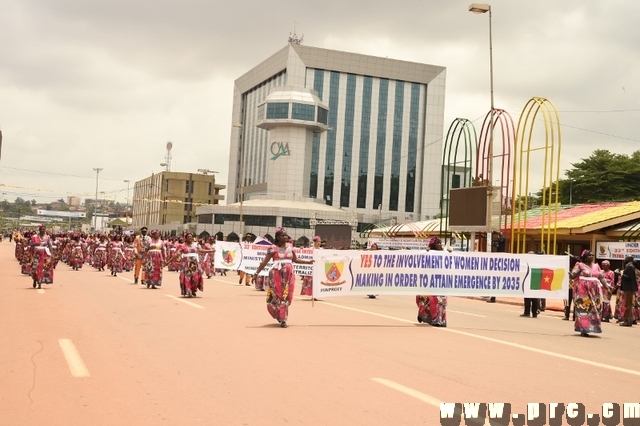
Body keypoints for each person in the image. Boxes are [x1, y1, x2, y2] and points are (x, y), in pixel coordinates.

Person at [253, 227, 314, 328]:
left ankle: (283, 318)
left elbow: (295, 259)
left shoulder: (290, 247)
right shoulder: (273, 248)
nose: (285, 237)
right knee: (275, 296)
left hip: (288, 275)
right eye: (282, 235)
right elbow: (264, 262)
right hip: (276, 274)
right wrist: (256, 273)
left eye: (286, 235)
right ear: (277, 237)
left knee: (286, 296)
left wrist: (308, 262)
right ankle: (279, 315)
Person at [570, 249, 606, 336]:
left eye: (593, 255)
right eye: (590, 255)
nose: (592, 256)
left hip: (595, 291)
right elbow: (573, 275)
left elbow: (601, 278)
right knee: (584, 309)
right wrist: (570, 273)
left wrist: (607, 288)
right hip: (582, 290)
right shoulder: (580, 265)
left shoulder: (596, 266)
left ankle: (593, 327)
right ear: (585, 257)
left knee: (595, 309)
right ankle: (584, 329)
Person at [416, 237, 447, 326]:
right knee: (429, 299)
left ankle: (440, 319)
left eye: (440, 244)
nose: (440, 245)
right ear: (433, 245)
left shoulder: (444, 254)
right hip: (430, 280)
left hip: (441, 281)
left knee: (441, 301)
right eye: (438, 244)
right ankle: (426, 316)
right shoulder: (428, 253)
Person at [618, 256, 637, 327]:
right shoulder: (629, 266)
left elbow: (630, 277)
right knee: (628, 305)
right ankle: (629, 320)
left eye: (626, 258)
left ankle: (627, 321)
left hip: (629, 288)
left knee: (628, 305)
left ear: (630, 259)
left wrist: (622, 274)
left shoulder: (630, 266)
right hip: (629, 288)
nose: (625, 259)